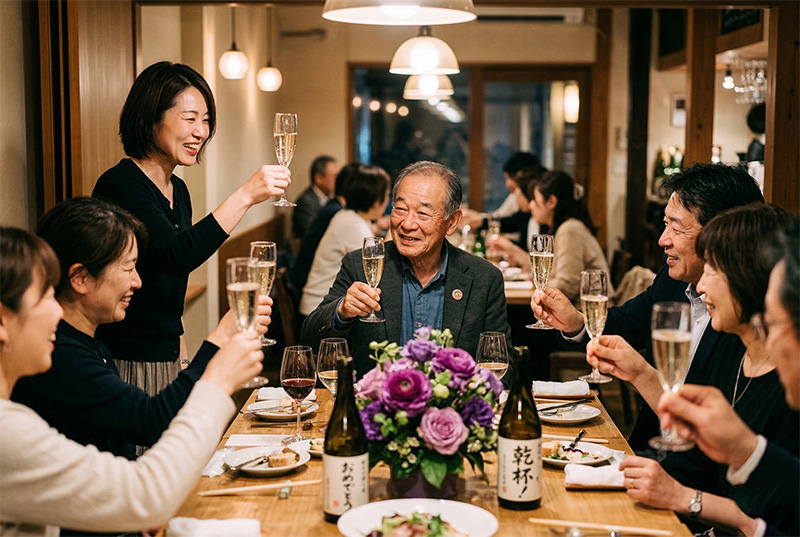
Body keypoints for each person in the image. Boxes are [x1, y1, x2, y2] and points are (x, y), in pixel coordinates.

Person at [0, 227, 263, 536]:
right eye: (45, 296)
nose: (57, 309)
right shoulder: (8, 429)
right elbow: (145, 493)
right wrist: (216, 381)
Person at [11, 197, 273, 462]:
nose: (137, 281)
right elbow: (152, 421)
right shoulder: (61, 356)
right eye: (128, 267)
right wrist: (219, 340)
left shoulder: (90, 339)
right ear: (81, 278)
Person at [532, 163, 765, 450]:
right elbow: (625, 323)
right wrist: (577, 323)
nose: (662, 240)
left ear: (721, 234)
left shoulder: (749, 321)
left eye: (675, 227)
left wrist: (642, 374)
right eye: (664, 224)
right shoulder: (672, 281)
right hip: (650, 448)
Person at [92, 61, 289, 396]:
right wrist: (245, 195)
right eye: (190, 118)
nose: (201, 131)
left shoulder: (178, 189)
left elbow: (170, 283)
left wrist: (181, 356)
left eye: (206, 120)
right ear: (149, 120)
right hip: (125, 359)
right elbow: (174, 254)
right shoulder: (121, 185)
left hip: (167, 357)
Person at [612, 205, 797, 536]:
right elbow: (699, 459)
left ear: (748, 276)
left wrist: (684, 497)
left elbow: (772, 514)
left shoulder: (788, 387)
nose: (699, 288)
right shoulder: (730, 348)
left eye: (713, 270)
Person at [300, 161, 512, 376]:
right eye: (400, 209)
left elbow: (502, 369)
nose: (408, 224)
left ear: (452, 222)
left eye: (422, 214)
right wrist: (342, 311)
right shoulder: (361, 265)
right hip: (376, 406)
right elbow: (310, 340)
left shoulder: (483, 279)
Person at [300, 164, 390, 317]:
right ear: (376, 200)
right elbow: (379, 271)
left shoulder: (347, 217)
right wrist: (394, 229)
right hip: (319, 311)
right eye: (387, 194)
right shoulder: (353, 225)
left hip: (317, 304)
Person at [293, 162, 360, 296]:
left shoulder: (334, 206)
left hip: (315, 280)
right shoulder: (336, 212)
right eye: (334, 175)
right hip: (311, 285)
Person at [292, 155, 340, 240]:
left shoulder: (331, 198)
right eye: (335, 176)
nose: (338, 180)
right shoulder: (306, 201)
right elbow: (309, 236)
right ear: (319, 178)